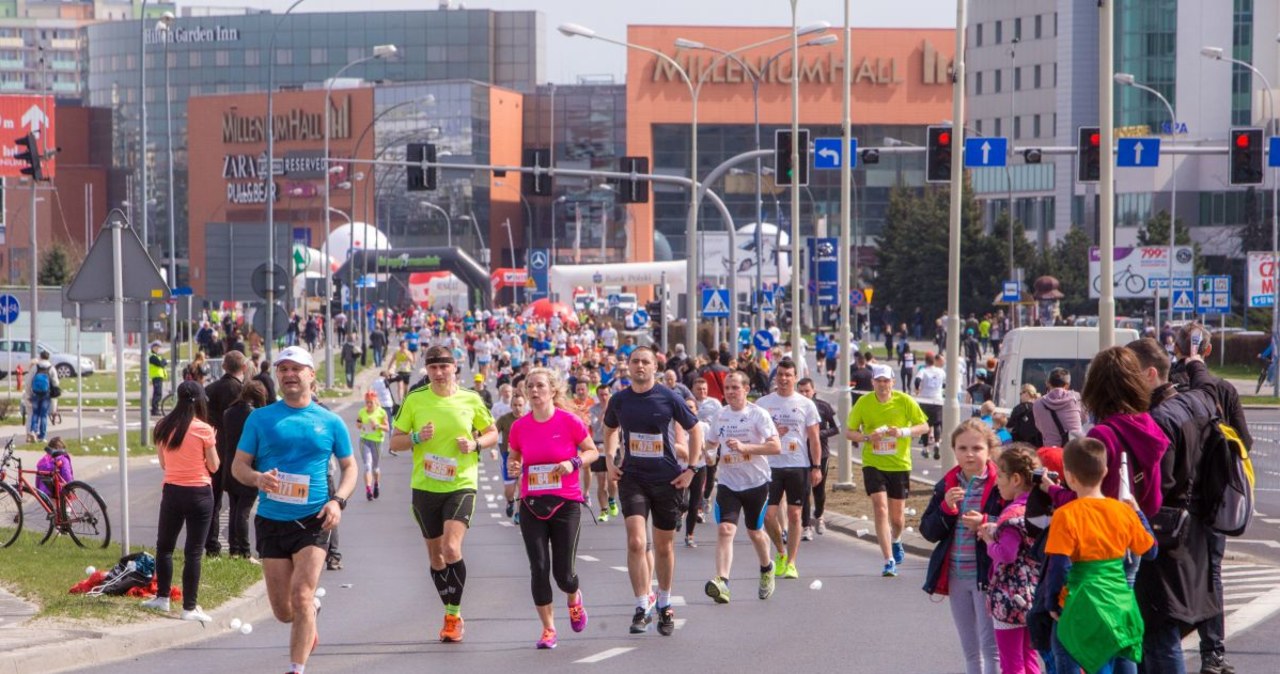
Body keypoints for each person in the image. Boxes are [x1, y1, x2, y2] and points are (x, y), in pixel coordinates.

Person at [231, 346, 357, 674]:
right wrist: (258, 478)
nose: (289, 374)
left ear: (310, 375)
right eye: (283, 369)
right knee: (284, 611)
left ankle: (296, 668)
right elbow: (238, 466)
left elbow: (350, 467)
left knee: (301, 596)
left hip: (313, 520)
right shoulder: (260, 419)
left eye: (296, 369)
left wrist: (337, 500)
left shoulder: (329, 421)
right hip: (272, 521)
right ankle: (309, 616)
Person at [388, 345, 498, 643]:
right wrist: (415, 437)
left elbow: (492, 433)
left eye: (443, 367)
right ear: (427, 370)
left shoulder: (470, 399)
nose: (438, 373)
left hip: (461, 483)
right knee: (436, 558)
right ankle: (451, 609)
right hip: (425, 487)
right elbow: (394, 442)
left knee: (451, 549)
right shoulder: (415, 400)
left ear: (454, 368)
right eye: (433, 367)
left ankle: (452, 614)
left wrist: (475, 445)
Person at [603, 346, 701, 636]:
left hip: (667, 480)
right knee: (636, 542)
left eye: (646, 362)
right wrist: (609, 460)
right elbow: (609, 430)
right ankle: (640, 605)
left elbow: (695, 430)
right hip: (633, 478)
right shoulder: (619, 400)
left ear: (654, 367)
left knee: (663, 546)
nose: (640, 366)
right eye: (635, 362)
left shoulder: (669, 397)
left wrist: (692, 470)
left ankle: (665, 603)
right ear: (628, 366)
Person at [1041, 438, 1157, 674]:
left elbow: (1059, 565)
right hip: (1118, 600)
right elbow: (1151, 550)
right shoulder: (1122, 511)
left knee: (1066, 652)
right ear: (1105, 471)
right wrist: (1138, 512)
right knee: (1122, 656)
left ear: (1069, 476)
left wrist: (1051, 601)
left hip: (1081, 600)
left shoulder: (1065, 515)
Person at [506, 367, 599, 649]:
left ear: (553, 390)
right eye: (530, 387)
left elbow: (592, 451)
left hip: (566, 503)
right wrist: (514, 466)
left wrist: (574, 463)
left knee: (564, 574)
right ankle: (548, 629)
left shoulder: (569, 421)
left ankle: (573, 597)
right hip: (532, 503)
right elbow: (514, 457)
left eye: (540, 386)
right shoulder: (519, 426)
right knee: (538, 567)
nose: (534, 391)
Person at [920, 418, 1002, 674]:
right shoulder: (947, 484)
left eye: (977, 448)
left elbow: (1016, 522)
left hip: (987, 576)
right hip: (956, 576)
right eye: (963, 448)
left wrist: (986, 523)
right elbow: (928, 531)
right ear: (954, 450)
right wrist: (946, 508)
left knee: (991, 648)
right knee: (969, 648)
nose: (969, 455)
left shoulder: (1001, 485)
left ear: (989, 451)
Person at [140, 380, 220, 623]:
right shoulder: (204, 429)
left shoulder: (163, 426)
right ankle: (189, 607)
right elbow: (215, 466)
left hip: (172, 492)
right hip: (199, 493)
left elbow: (164, 464)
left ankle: (162, 598)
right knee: (193, 552)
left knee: (164, 546)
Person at [702, 370, 781, 603]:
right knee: (726, 530)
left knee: (755, 532)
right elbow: (711, 442)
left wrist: (747, 448)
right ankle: (722, 582)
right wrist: (707, 454)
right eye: (727, 388)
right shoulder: (721, 415)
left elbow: (775, 446)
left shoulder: (758, 415)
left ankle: (767, 568)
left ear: (746, 389)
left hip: (756, 482)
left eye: (735, 388)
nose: (730, 392)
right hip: (728, 483)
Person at [847, 363, 929, 577]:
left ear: (893, 382)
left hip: (899, 464)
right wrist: (867, 437)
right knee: (880, 508)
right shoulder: (864, 403)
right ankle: (888, 560)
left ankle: (896, 539)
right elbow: (849, 432)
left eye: (886, 381)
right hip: (873, 463)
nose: (882, 385)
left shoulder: (904, 401)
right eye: (878, 381)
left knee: (898, 518)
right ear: (873, 382)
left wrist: (902, 432)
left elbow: (924, 426)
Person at [979, 444, 1043, 674]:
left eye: (1001, 475)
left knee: (1011, 662)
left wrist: (989, 540)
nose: (997, 481)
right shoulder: (1038, 508)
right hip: (1033, 592)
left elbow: (1007, 554)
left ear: (1015, 479)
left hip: (1009, 597)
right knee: (1030, 656)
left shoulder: (1011, 513)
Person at [755, 358, 820, 579]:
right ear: (776, 376)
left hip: (798, 465)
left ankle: (791, 562)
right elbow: (753, 434)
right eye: (780, 374)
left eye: (788, 375)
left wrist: (816, 467)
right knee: (768, 515)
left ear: (794, 377)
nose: (783, 379)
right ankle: (781, 553)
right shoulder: (763, 403)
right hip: (770, 465)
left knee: (795, 515)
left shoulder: (806, 404)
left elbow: (814, 438)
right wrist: (773, 433)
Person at [203, 350, 245, 557]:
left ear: (224, 367)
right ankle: (236, 547)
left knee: (214, 501)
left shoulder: (209, 390)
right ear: (243, 368)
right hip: (238, 452)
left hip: (213, 449)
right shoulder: (243, 392)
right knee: (238, 503)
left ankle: (211, 545)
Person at [220, 380, 269, 559]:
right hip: (248, 467)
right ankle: (245, 551)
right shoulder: (255, 415)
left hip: (230, 466)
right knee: (244, 511)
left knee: (234, 507)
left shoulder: (228, 413)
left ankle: (234, 549)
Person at [798, 377, 838, 537]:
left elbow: (838, 427)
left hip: (821, 453)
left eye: (807, 390)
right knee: (804, 491)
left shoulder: (823, 407)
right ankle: (806, 526)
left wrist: (819, 434)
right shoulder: (794, 406)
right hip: (800, 455)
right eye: (800, 391)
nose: (804, 394)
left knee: (818, 489)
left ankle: (819, 516)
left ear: (813, 390)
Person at [494, 391, 528, 521]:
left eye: (520, 405)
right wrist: (493, 449)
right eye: (514, 405)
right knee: (509, 490)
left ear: (524, 405)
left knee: (522, 484)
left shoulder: (529, 419)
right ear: (511, 405)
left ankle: (519, 514)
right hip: (508, 456)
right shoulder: (504, 419)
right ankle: (510, 501)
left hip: (525, 456)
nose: (517, 408)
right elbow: (493, 433)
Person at [587, 386, 619, 522]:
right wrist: (604, 412)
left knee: (612, 480)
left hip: (612, 446)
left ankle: (611, 499)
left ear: (610, 395)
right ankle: (604, 510)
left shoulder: (617, 407)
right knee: (601, 481)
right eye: (601, 395)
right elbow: (595, 426)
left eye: (606, 394)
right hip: (598, 445)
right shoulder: (593, 409)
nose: (604, 397)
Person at [1032, 368, 1085, 448]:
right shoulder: (1076, 398)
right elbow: (1084, 419)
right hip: (1075, 449)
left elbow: (1039, 426)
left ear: (1048, 383)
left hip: (1051, 450)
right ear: (1067, 385)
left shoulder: (1038, 404)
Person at [356, 391, 389, 501]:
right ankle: (368, 490)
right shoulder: (362, 411)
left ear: (375, 402)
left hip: (377, 441)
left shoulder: (381, 412)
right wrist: (361, 425)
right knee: (367, 466)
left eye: (371, 402)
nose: (368, 405)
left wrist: (377, 425)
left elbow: (387, 428)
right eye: (367, 402)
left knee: (375, 468)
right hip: (364, 440)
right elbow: (358, 423)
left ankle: (376, 484)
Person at [25, 353, 58, 442]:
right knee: (43, 415)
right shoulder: (51, 368)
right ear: (48, 358)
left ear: (40, 357)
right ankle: (42, 436)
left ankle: (33, 431)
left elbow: (29, 381)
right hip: (46, 394)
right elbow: (55, 383)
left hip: (35, 393)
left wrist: (28, 394)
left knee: (35, 413)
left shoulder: (35, 367)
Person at [148, 341, 168, 416]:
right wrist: (163, 362)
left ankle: (155, 409)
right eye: (156, 347)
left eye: (158, 347)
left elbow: (164, 362)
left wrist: (163, 362)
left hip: (159, 376)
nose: (158, 349)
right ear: (153, 347)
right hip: (156, 376)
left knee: (158, 393)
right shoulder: (152, 356)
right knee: (157, 393)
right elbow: (161, 363)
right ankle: (154, 410)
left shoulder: (157, 356)